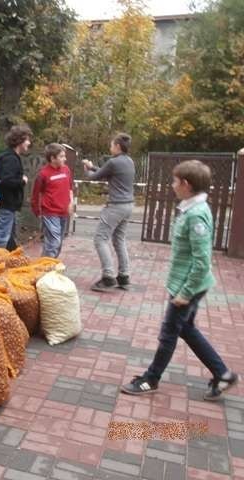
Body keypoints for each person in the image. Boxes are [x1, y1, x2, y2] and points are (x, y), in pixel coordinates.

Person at [121, 160, 238, 399]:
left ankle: (151, 378)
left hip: (189, 287)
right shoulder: (190, 208)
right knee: (185, 329)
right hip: (187, 284)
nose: (172, 185)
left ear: (186, 184)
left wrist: (185, 293)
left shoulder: (196, 216)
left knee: (168, 333)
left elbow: (202, 261)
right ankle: (223, 374)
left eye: (174, 181)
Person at [82, 133, 135, 291]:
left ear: (118, 146)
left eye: (111, 145)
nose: (110, 147)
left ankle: (108, 277)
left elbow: (94, 177)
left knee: (100, 239)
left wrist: (87, 169)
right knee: (119, 240)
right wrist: (93, 167)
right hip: (129, 205)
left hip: (115, 207)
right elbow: (106, 172)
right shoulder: (129, 161)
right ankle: (124, 277)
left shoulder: (113, 162)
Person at [0, 125, 32, 250]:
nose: (29, 143)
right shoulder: (10, 159)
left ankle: (10, 262)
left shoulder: (12, 157)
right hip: (7, 204)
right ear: (19, 141)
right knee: (2, 238)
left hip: (11, 205)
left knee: (9, 238)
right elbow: (6, 181)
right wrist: (22, 181)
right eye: (27, 140)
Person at [31, 143, 73, 258]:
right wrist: (37, 211)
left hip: (63, 213)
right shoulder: (43, 174)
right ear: (52, 158)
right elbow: (35, 194)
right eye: (62, 156)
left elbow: (70, 188)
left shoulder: (66, 170)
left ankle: (44, 266)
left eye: (64, 156)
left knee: (56, 244)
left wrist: (71, 203)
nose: (65, 159)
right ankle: (48, 269)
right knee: (54, 242)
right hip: (50, 213)